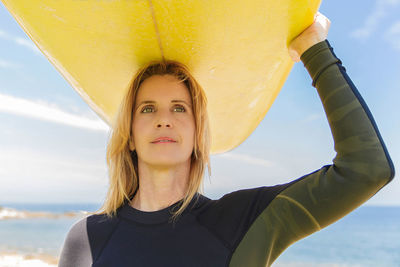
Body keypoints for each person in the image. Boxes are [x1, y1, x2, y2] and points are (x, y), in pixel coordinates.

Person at [58, 12, 395, 267]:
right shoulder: (87, 238)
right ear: (129, 136)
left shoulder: (241, 221)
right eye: (147, 109)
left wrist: (315, 50)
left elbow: (367, 169)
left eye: (179, 108)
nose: (163, 119)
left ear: (197, 133)